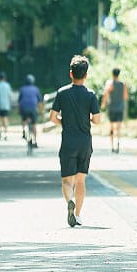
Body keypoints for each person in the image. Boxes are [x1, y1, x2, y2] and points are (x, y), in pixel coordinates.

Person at [49, 54, 100, 227]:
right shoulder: (91, 95)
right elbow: (97, 119)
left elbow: (52, 117)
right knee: (80, 180)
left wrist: (64, 122)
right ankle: (77, 215)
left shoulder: (62, 93)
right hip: (85, 142)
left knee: (66, 180)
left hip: (68, 141)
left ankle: (69, 201)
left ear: (71, 73)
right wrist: (89, 120)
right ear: (86, 75)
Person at [101, 68, 129, 154]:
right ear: (119, 74)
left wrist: (103, 104)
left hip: (112, 107)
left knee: (112, 127)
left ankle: (112, 146)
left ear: (112, 74)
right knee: (119, 128)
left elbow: (105, 94)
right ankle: (118, 144)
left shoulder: (110, 83)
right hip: (120, 108)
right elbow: (125, 96)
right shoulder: (123, 84)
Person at [18, 73, 43, 146]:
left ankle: (23, 132)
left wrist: (19, 110)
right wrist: (40, 111)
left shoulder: (22, 89)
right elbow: (39, 102)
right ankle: (35, 141)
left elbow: (19, 101)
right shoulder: (36, 89)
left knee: (23, 120)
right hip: (33, 109)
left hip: (24, 109)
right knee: (34, 124)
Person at [0, 71, 13, 139]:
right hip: (6, 105)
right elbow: (10, 95)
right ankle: (6, 134)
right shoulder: (7, 85)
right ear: (4, 78)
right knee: (5, 119)